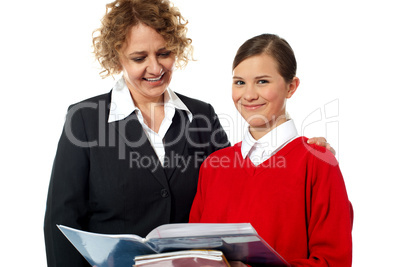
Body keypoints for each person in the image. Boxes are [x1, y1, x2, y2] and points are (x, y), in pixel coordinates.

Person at [44, 0, 333, 266]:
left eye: (164, 53)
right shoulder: (84, 119)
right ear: (117, 57)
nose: (155, 67)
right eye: (138, 57)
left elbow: (238, 177)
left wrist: (301, 149)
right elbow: (61, 222)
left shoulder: (201, 115)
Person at [189, 34, 353, 266]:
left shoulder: (318, 162)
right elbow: (194, 252)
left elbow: (333, 261)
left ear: (291, 87)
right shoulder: (214, 166)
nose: (248, 95)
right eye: (239, 82)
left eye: (262, 81)